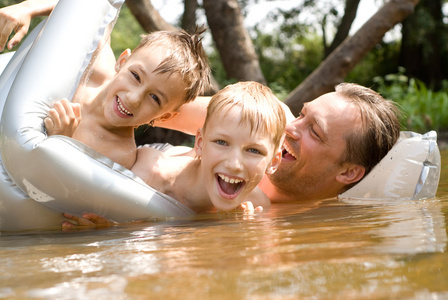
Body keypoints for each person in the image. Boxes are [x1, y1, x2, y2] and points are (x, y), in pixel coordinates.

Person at [0, 1, 401, 204]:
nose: (291, 128)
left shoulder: (298, 222)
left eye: (313, 131)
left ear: (349, 173)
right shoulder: (266, 121)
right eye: (304, 113)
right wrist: (30, 7)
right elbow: (141, 103)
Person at [60, 81, 286, 228]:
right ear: (199, 143)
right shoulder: (148, 176)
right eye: (221, 142)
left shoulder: (256, 206)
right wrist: (105, 226)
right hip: (162, 157)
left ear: (273, 162)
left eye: (253, 150)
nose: (235, 164)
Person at [44, 26, 210, 170]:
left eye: (154, 98)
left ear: (163, 116)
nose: (134, 98)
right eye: (136, 76)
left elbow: (67, 194)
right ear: (122, 61)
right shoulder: (93, 62)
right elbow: (80, 10)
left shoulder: (118, 154)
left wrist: (62, 143)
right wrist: (28, 8)